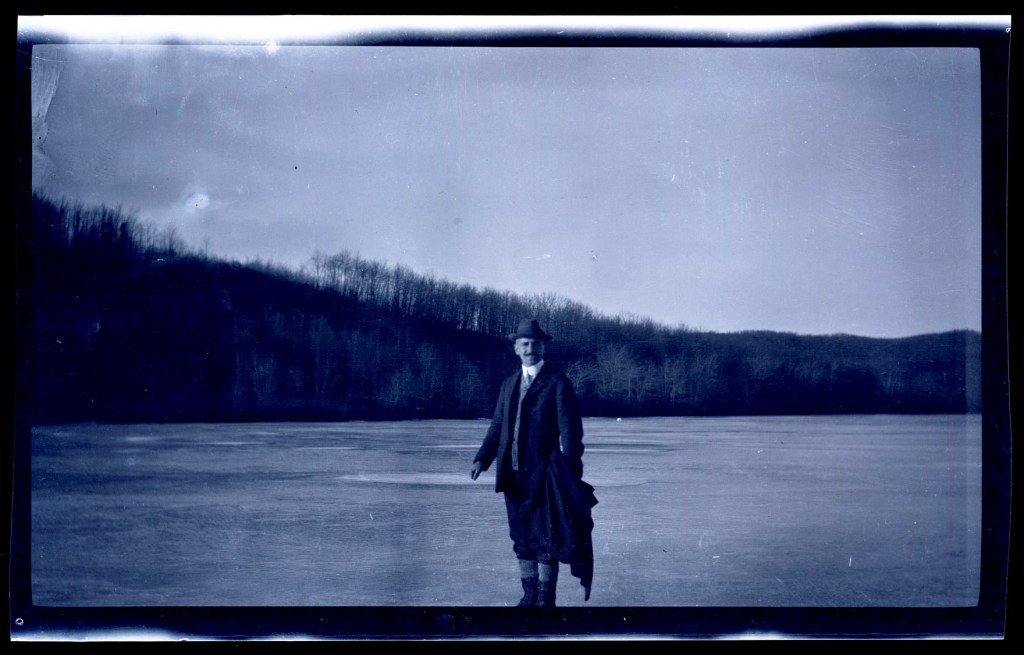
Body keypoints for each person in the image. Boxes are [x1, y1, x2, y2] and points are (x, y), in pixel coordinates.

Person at [470, 318, 596, 607]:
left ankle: (545, 599)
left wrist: (570, 472)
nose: (530, 349)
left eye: (535, 344)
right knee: (520, 536)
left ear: (543, 348)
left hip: (545, 475)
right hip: (511, 475)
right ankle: (528, 597)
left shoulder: (558, 383)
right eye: (525, 344)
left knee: (546, 536)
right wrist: (482, 458)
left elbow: (571, 432)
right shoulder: (508, 384)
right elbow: (497, 426)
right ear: (516, 348)